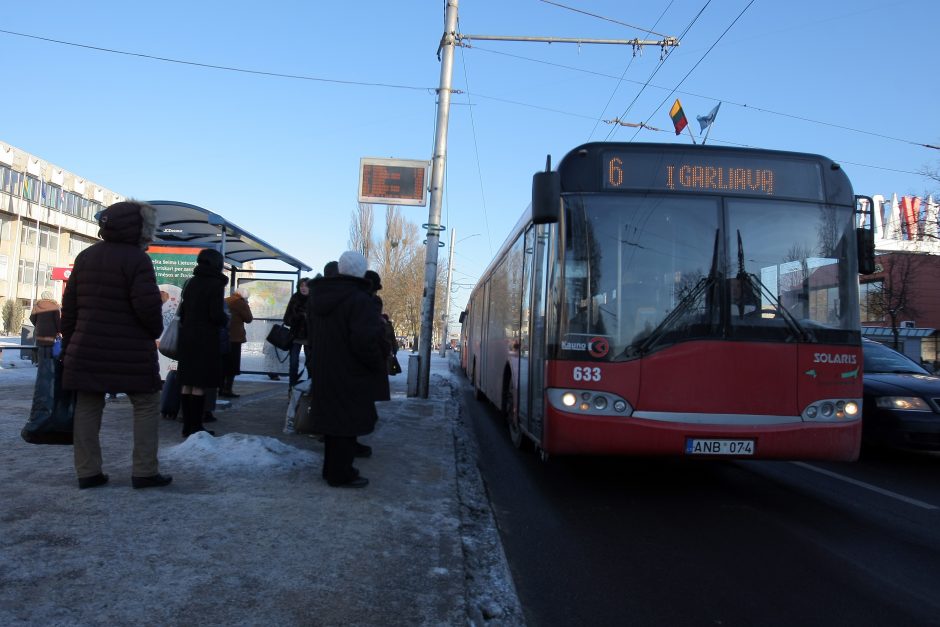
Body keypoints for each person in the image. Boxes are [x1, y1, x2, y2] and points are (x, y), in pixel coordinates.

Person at [60, 200, 171, 489]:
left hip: (87, 348)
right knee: (145, 404)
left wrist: (71, 342)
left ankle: (88, 472)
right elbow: (146, 307)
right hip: (131, 350)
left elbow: (69, 307)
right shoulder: (137, 259)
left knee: (87, 405)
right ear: (139, 228)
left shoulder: (85, 257)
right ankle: (144, 472)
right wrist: (154, 330)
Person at [307, 251, 387, 488]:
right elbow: (365, 340)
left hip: (324, 367)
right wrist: (375, 362)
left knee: (332, 422)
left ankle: (330, 469)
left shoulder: (319, 295)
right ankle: (341, 473)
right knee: (347, 423)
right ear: (361, 271)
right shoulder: (359, 298)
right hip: (351, 370)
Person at [177, 248, 228, 437]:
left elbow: (183, 312)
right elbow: (215, 315)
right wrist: (224, 319)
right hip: (205, 339)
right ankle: (196, 427)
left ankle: (186, 426)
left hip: (187, 337)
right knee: (199, 384)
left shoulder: (191, 282)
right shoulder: (215, 284)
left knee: (187, 383)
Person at [222, 288, 253, 397]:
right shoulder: (240, 302)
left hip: (223, 337)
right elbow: (249, 318)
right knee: (232, 365)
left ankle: (220, 388)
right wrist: (246, 304)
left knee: (223, 364)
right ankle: (227, 389)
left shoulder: (226, 300)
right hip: (235, 338)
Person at [283, 277, 312, 387]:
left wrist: (308, 318)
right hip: (296, 336)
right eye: (301, 286)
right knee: (293, 362)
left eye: (306, 285)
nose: (303, 288)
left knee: (310, 364)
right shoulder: (295, 298)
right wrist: (297, 318)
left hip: (309, 337)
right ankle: (292, 386)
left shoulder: (314, 299)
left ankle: (310, 387)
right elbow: (286, 319)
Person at [29, 290, 61, 366]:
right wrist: (59, 331)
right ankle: (48, 364)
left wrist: (37, 325)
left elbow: (32, 318)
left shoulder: (36, 306)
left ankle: (40, 363)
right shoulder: (55, 306)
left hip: (39, 331)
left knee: (40, 347)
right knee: (49, 347)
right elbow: (57, 320)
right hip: (51, 332)